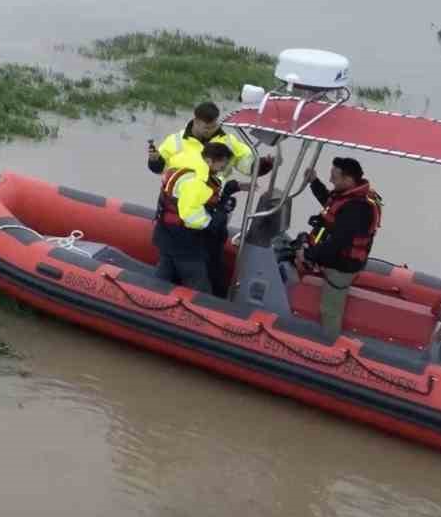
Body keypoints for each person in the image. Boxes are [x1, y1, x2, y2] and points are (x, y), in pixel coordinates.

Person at [147, 101, 270, 292]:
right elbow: (160, 168)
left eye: (214, 125)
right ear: (195, 121)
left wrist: (260, 167)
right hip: (187, 227)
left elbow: (246, 163)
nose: (212, 130)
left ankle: (156, 295)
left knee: (171, 268)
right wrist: (214, 220)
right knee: (194, 275)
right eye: (207, 126)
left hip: (191, 219)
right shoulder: (178, 145)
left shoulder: (225, 143)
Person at [298, 158, 383, 339]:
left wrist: (308, 254)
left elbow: (338, 243)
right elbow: (332, 204)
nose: (331, 181)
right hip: (342, 256)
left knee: (330, 310)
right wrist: (314, 182)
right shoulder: (350, 196)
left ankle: (328, 347)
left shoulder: (358, 208)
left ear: (348, 179)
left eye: (334, 178)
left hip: (343, 264)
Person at [152, 142, 236, 296]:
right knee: (199, 285)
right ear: (210, 161)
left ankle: (151, 297)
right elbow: (190, 214)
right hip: (184, 243)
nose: (223, 170)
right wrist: (213, 221)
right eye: (222, 166)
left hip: (167, 235)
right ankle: (205, 314)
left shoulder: (195, 171)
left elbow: (206, 198)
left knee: (165, 273)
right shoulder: (196, 181)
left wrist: (226, 195)